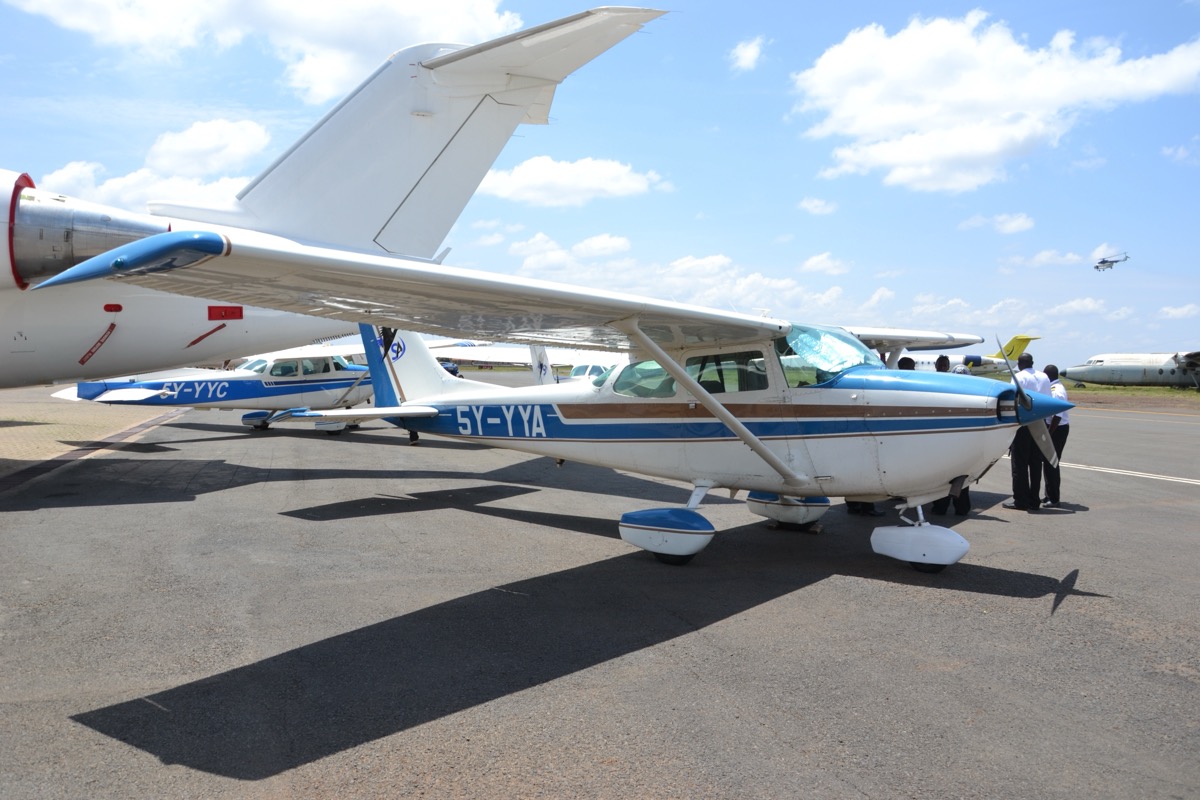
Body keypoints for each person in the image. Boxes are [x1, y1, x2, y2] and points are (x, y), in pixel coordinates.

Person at [1003, 352, 1050, 511]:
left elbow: (1013, 401)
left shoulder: (1019, 377)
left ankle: (1020, 500)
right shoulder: (1044, 377)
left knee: (1020, 464)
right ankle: (1034, 500)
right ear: (1032, 362)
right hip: (1040, 422)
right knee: (1036, 463)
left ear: (1019, 363)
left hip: (1023, 423)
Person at [930, 354, 971, 516]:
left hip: (947, 442)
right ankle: (961, 507)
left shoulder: (944, 391)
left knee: (944, 477)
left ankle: (941, 507)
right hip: (960, 443)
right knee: (962, 477)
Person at [1040, 364, 1070, 508]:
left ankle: (1054, 498)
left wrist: (1049, 434)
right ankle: (1048, 495)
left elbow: (1058, 416)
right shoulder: (1053, 388)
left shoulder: (1057, 390)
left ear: (1048, 376)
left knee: (1052, 463)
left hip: (1057, 429)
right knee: (1047, 462)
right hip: (1055, 428)